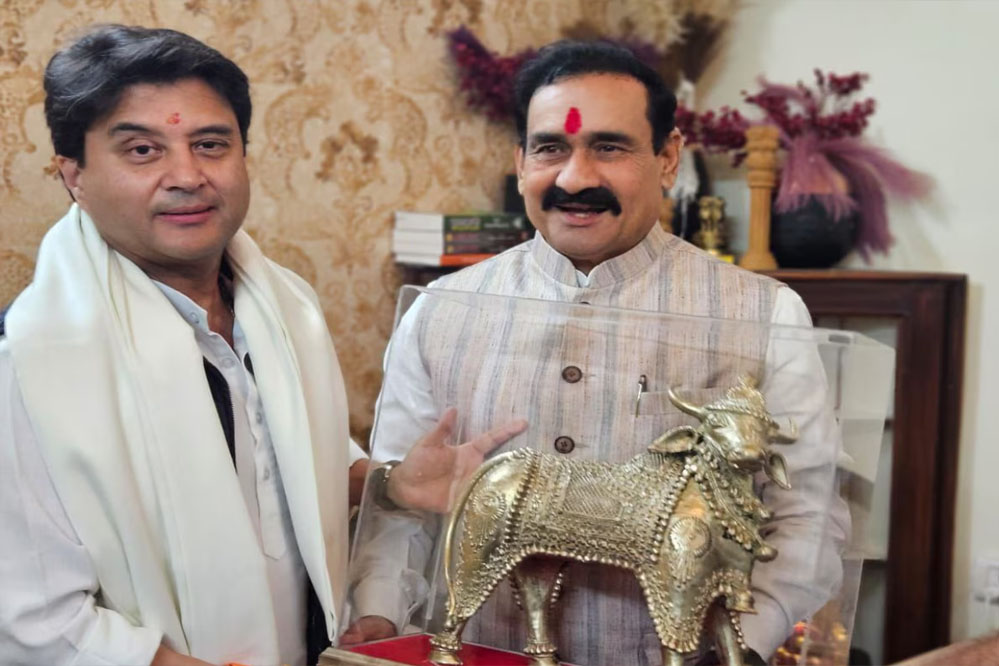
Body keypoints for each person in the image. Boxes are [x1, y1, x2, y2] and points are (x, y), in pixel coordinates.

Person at [0, 24, 519, 666]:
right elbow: (35, 620)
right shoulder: (32, 361)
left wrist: (389, 484)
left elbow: (285, 471)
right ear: (73, 174)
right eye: (142, 150)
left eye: (210, 144)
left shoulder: (285, 310)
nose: (187, 175)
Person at [356, 40, 849, 665]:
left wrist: (742, 650)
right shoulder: (440, 310)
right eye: (550, 148)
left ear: (667, 158)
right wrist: (376, 614)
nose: (575, 178)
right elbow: (401, 507)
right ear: (520, 162)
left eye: (609, 147)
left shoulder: (764, 313)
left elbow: (808, 516)